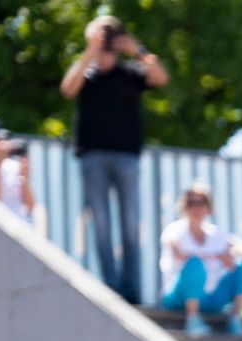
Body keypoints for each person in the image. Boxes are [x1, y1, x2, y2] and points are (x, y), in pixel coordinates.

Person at [60, 16, 166, 301]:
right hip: (92, 156)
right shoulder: (86, 74)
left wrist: (137, 50)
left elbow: (160, 78)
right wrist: (90, 52)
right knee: (101, 225)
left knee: (130, 224)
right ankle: (111, 286)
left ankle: (131, 288)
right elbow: (67, 89)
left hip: (126, 156)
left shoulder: (130, 72)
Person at [158, 183, 242, 338]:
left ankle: (236, 319)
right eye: (190, 203)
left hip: (209, 298)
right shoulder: (175, 229)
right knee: (194, 264)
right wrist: (218, 255)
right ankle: (193, 319)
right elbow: (181, 254)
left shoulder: (215, 233)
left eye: (200, 203)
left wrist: (231, 254)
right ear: (184, 207)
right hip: (177, 298)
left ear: (208, 207)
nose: (195, 208)